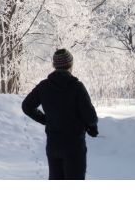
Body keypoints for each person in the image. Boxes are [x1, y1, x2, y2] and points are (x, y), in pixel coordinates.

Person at [21, 48, 99, 180]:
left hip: (53, 146)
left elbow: (26, 106)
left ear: (54, 65)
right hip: (74, 146)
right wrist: (92, 126)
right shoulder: (77, 87)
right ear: (70, 65)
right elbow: (90, 116)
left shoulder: (44, 86)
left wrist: (46, 120)